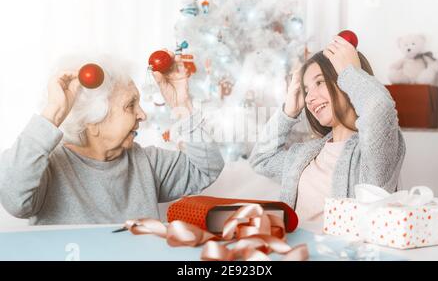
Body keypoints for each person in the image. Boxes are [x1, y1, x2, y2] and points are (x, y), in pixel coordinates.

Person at [0, 54, 225, 225]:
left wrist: (182, 105)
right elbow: (13, 199)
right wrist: (55, 111)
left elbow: (206, 168)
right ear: (93, 122)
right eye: (130, 105)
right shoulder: (47, 167)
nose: (143, 115)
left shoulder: (146, 161)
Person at [249, 36, 406, 223]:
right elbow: (261, 159)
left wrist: (351, 72)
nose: (308, 99)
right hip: (297, 250)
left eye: (319, 82)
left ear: (346, 80)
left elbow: (379, 108)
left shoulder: (374, 153)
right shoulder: (305, 155)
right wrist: (289, 111)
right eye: (306, 90)